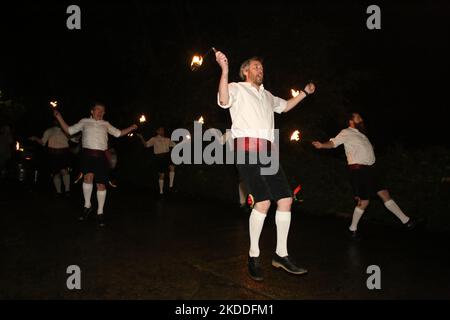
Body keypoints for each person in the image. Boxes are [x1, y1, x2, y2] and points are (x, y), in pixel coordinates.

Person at [215, 50, 316, 281]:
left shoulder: (268, 95)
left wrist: (304, 93)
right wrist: (224, 70)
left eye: (262, 67)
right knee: (262, 202)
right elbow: (222, 100)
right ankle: (253, 255)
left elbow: (286, 106)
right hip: (246, 151)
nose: (260, 70)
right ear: (246, 71)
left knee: (286, 199)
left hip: (269, 153)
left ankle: (281, 255)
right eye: (256, 67)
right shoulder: (236, 88)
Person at [312, 112, 420, 239]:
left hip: (371, 171)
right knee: (364, 202)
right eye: (358, 117)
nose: (361, 119)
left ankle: (407, 222)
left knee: (384, 194)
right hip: (359, 171)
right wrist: (322, 145)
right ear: (351, 121)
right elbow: (334, 143)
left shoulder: (362, 135)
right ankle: (352, 229)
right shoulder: (346, 132)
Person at [54, 103, 137, 227]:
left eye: (103, 111)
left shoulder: (106, 124)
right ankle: (87, 206)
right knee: (87, 178)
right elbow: (69, 130)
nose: (101, 112)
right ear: (92, 111)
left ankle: (100, 212)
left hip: (101, 157)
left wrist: (132, 127)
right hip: (87, 156)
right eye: (98, 110)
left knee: (101, 184)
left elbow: (118, 133)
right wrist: (59, 117)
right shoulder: (84, 121)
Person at [29, 121, 73, 196]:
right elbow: (43, 142)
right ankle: (58, 192)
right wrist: (35, 138)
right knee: (56, 173)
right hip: (53, 155)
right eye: (55, 120)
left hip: (63, 154)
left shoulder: (66, 130)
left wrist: (81, 134)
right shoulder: (49, 130)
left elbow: (74, 139)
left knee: (64, 171)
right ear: (54, 121)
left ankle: (67, 190)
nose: (56, 122)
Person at [137, 127, 176, 196]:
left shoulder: (167, 139)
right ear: (157, 131)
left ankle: (171, 186)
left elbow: (175, 145)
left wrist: (184, 141)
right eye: (160, 130)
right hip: (159, 157)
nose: (162, 131)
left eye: (163, 130)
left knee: (172, 167)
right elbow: (146, 145)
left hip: (166, 156)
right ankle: (161, 191)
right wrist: (141, 138)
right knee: (162, 175)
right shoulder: (154, 139)